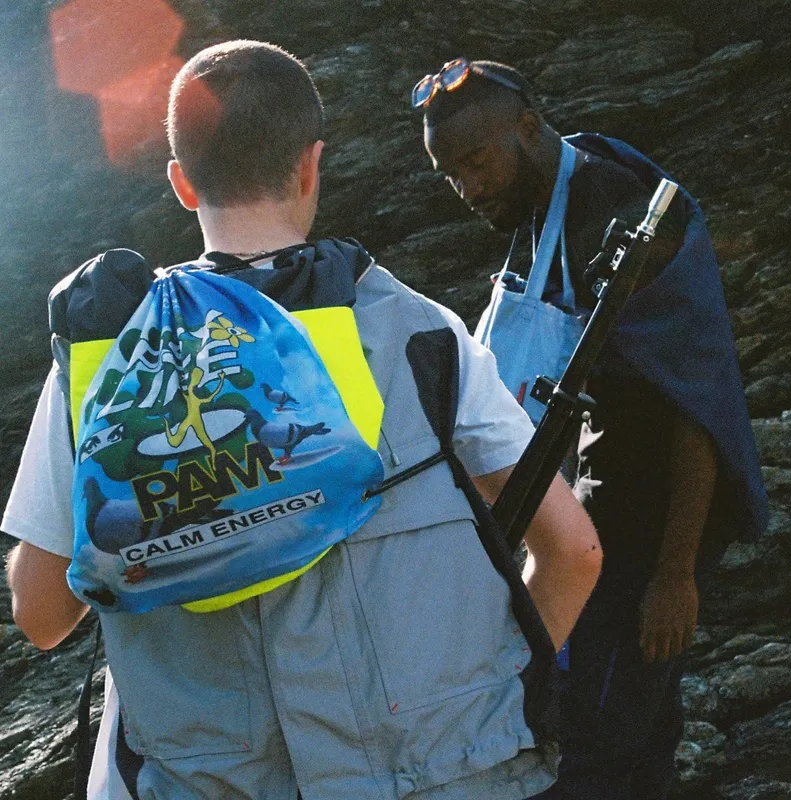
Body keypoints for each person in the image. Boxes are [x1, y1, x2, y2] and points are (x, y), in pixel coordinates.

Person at [3, 41, 603, 800]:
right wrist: (486, 694)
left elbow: (42, 615)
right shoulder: (420, 331)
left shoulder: (104, 358)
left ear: (182, 185)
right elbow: (574, 550)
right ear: (313, 164)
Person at [416, 58, 768, 799]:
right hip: (597, 500)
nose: (468, 190)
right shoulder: (543, 203)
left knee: (592, 736)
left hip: (652, 522)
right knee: (642, 720)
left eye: (477, 164)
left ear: (530, 127)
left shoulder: (617, 217)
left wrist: (674, 575)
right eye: (451, 176)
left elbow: (694, 396)